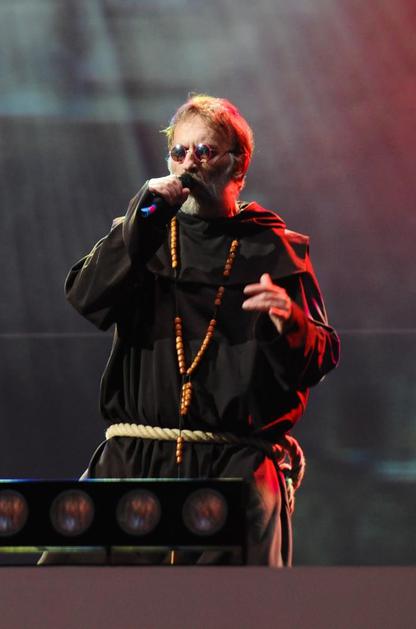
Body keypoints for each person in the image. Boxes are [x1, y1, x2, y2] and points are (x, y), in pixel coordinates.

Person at [65, 94, 340, 566]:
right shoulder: (141, 235)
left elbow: (320, 357)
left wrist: (290, 322)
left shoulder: (273, 248)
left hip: (235, 469)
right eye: (179, 152)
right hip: (134, 462)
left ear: (239, 167)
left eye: (205, 151)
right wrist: (143, 218)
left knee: (228, 602)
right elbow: (85, 297)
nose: (189, 162)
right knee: (72, 593)